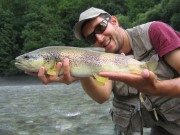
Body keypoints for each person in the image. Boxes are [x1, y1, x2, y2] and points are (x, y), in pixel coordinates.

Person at [27, 7, 180, 135]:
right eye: (91, 38)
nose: (99, 38)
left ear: (114, 21)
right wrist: (81, 72)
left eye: (100, 27)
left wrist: (156, 88)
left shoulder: (155, 31)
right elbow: (102, 96)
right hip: (161, 126)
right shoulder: (102, 58)